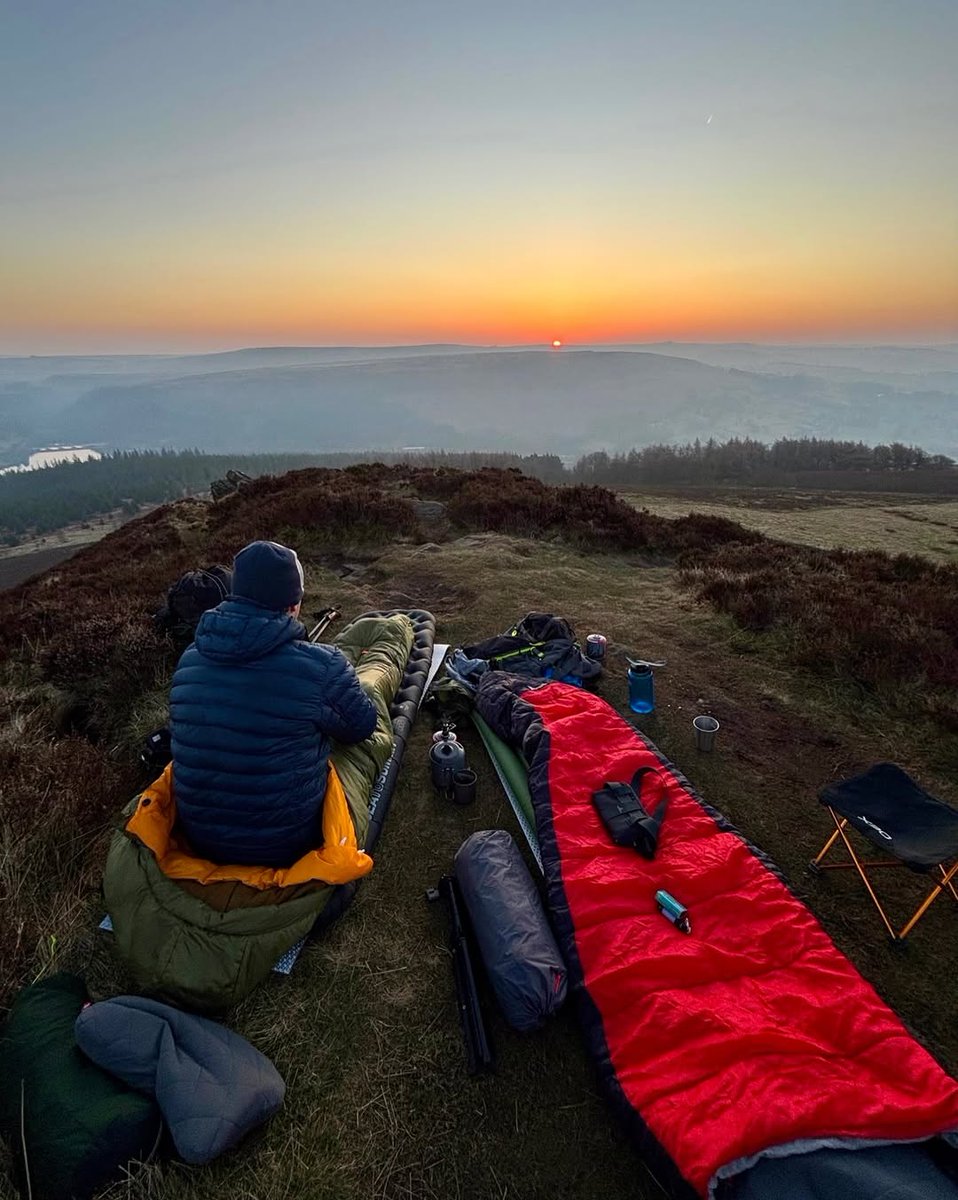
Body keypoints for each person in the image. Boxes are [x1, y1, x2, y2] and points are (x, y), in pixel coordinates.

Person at [169, 540, 377, 867]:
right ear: (293, 604)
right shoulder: (322, 666)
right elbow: (363, 726)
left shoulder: (189, 659)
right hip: (285, 845)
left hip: (201, 839)